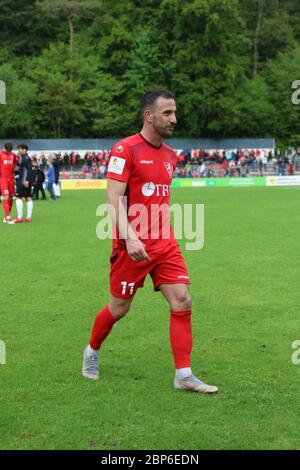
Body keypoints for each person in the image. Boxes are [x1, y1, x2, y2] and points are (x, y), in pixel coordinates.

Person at [82, 89, 219, 394]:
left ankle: (183, 374)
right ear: (149, 115)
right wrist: (130, 238)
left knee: (182, 299)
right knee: (119, 308)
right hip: (131, 246)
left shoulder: (171, 156)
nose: (174, 118)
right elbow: (112, 199)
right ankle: (91, 351)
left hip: (165, 243)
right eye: (167, 113)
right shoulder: (124, 150)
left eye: (174, 112)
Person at [14, 144, 34, 223]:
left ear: (24, 149)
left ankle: (19, 217)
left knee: (18, 197)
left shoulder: (26, 158)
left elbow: (28, 170)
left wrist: (26, 180)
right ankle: (28, 218)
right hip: (25, 180)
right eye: (18, 149)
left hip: (23, 180)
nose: (18, 150)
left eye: (20, 149)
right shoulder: (24, 158)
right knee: (28, 197)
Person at [0, 142, 17, 224]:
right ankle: (8, 217)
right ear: (4, 148)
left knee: (11, 198)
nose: (9, 152)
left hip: (11, 178)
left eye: (10, 151)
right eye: (8, 151)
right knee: (5, 196)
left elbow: (15, 164)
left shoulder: (13, 155)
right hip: (3, 178)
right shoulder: (0, 154)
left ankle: (6, 216)